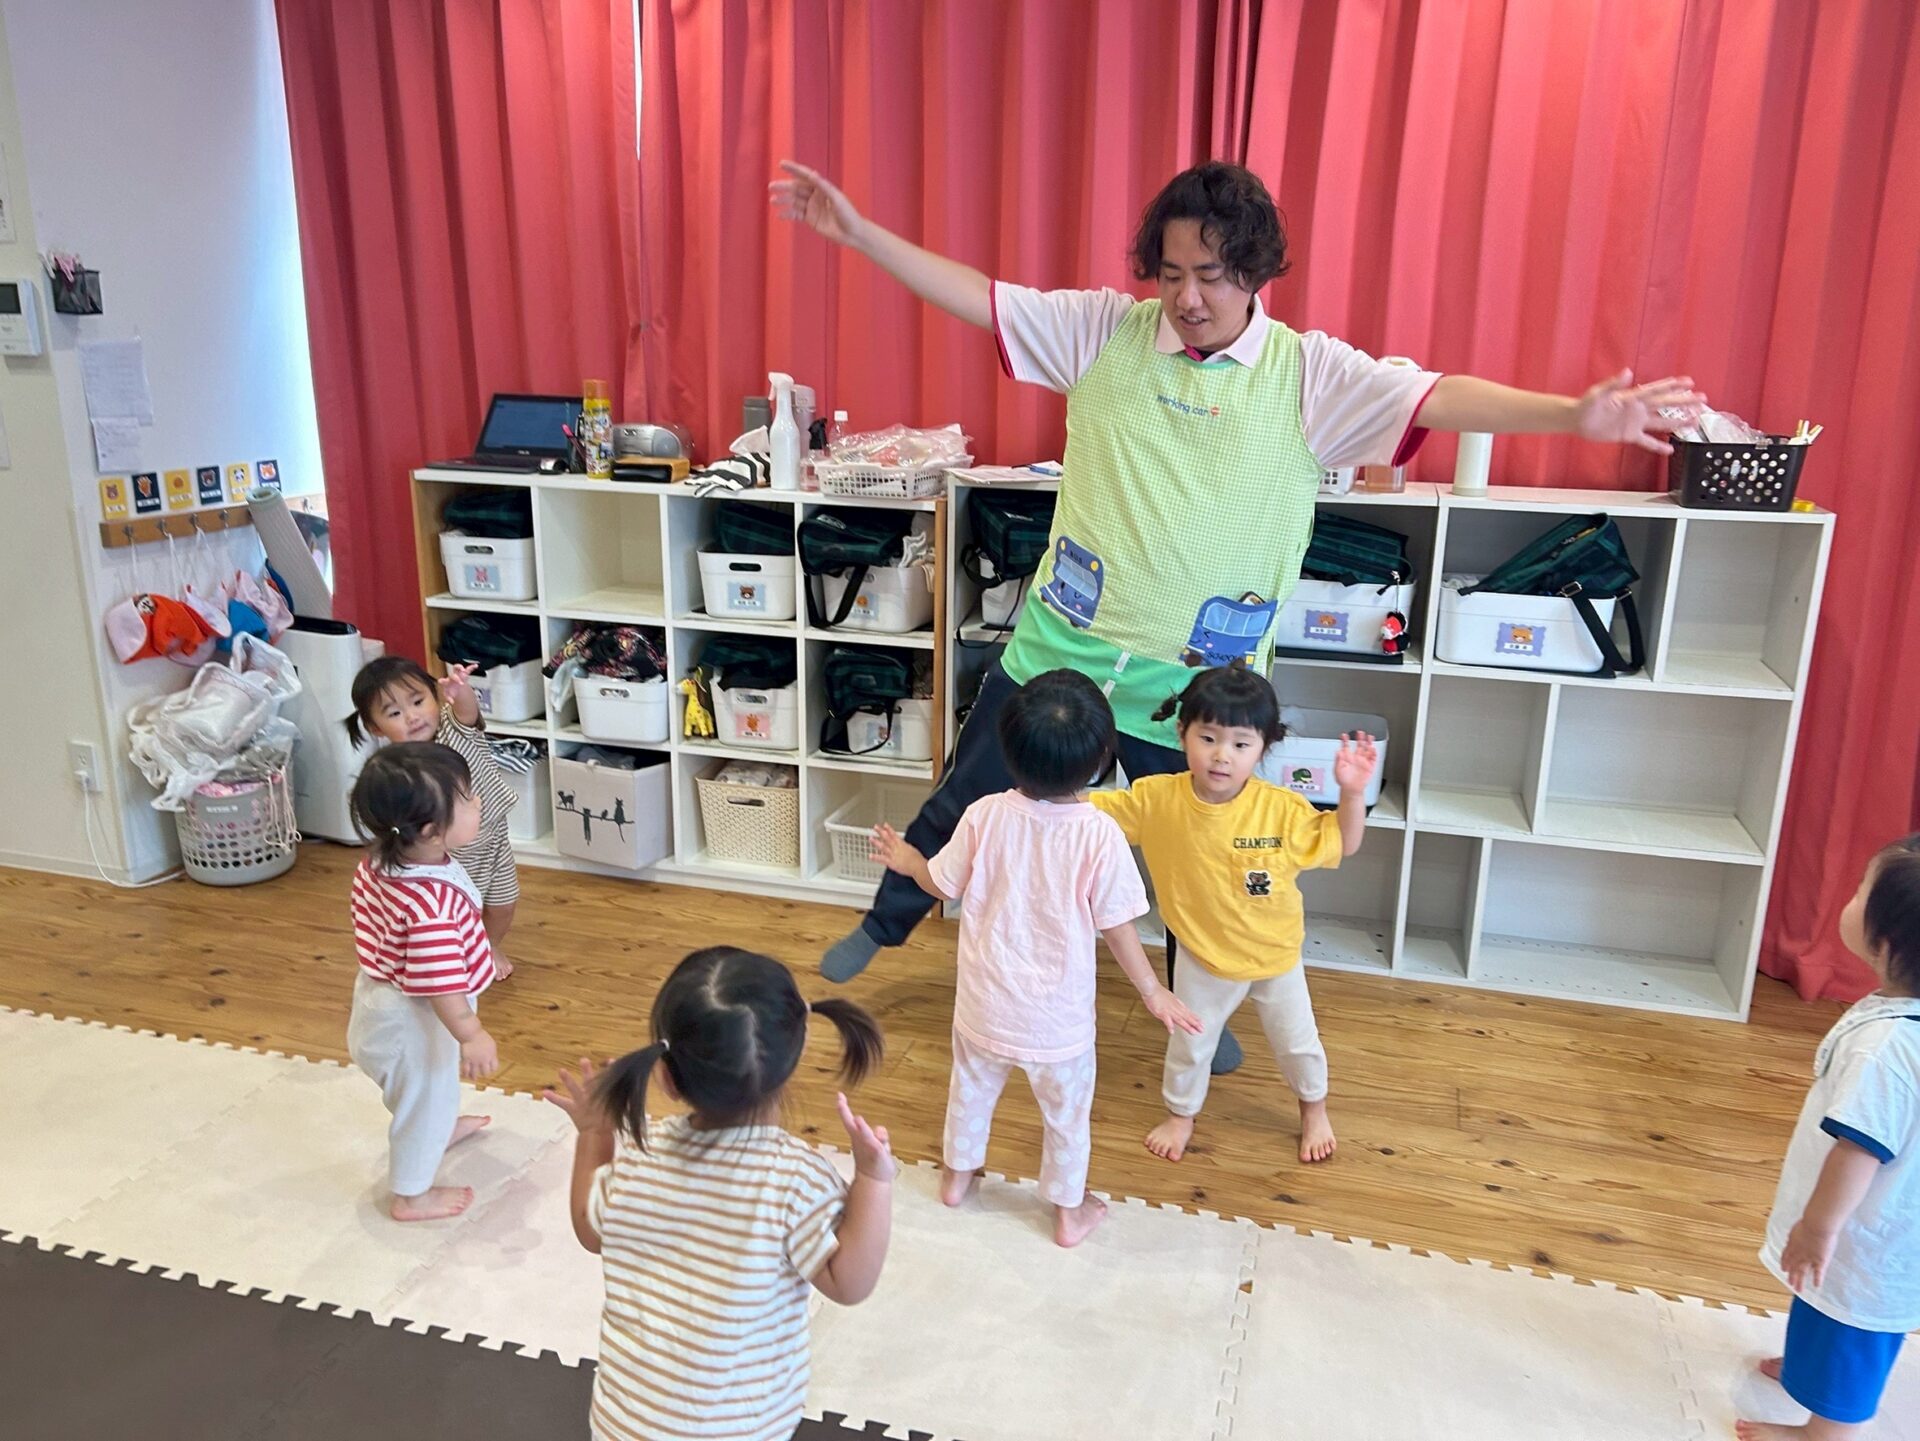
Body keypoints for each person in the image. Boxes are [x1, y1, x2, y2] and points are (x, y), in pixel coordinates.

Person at [772, 156, 1703, 1079]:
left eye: (1211, 276)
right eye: (1172, 273)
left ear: (1255, 273)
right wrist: (859, 234)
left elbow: (1438, 394)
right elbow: (981, 298)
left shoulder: (1309, 375)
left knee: (1201, 855)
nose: (1187, 298)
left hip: (1197, 689)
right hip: (1061, 650)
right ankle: (886, 921)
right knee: (969, 799)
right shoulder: (1102, 332)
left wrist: (1573, 416)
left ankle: (1201, 1005)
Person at [870, 670, 1203, 1247]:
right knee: (1066, 1117)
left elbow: (941, 884)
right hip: (1058, 1023)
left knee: (970, 1092)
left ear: (1008, 749)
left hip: (984, 1007)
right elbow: (1118, 925)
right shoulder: (1099, 834)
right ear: (1101, 759)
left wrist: (907, 860)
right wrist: (1152, 991)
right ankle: (1069, 1212)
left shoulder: (983, 814)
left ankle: (956, 1178)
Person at [543, 948, 895, 1441]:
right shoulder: (795, 1180)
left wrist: (595, 1133)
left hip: (625, 1424)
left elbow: (590, 1229)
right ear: (796, 1052)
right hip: (738, 1430)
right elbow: (849, 1283)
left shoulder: (643, 1155)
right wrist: (874, 1181)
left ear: (665, 1076)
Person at [1089, 665, 1374, 1165]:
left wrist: (1352, 793)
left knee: (1297, 1044)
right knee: (1189, 1047)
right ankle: (1181, 1115)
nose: (1222, 755)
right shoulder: (1156, 799)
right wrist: (1035, 792)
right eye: (1208, 738)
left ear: (1262, 748)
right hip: (1201, 956)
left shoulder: (1282, 809)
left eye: (1241, 744)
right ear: (1182, 733)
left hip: (1275, 956)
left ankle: (1313, 1109)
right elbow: (1088, 813)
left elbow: (1343, 842)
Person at [1737, 836, 1920, 1441]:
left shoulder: (1886, 1048)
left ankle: (1825, 1432)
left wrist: (1819, 1226)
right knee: (1823, 1303)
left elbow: (1860, 1147)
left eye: (1860, 891)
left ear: (1884, 942)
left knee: (1849, 1323)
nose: (1850, 896)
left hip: (1863, 1232)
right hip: (1875, 1223)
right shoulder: (1898, 1018)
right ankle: (1810, 1371)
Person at [345, 743, 501, 1222]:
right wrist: (471, 1033)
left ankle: (439, 1128)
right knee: (425, 1101)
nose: (478, 802)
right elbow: (440, 984)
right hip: (415, 1017)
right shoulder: (430, 909)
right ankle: (411, 1196)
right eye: (467, 798)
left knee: (430, 1092)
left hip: (386, 1001)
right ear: (431, 830)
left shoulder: (387, 860)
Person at [348, 655, 522, 979]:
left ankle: (490, 945)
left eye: (418, 701)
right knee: (461, 910)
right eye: (395, 713)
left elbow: (467, 711)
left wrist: (461, 689)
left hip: (494, 836)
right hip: (448, 853)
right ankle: (459, 957)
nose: (412, 716)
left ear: (434, 695)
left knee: (504, 903)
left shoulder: (453, 729)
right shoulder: (399, 770)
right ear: (376, 727)